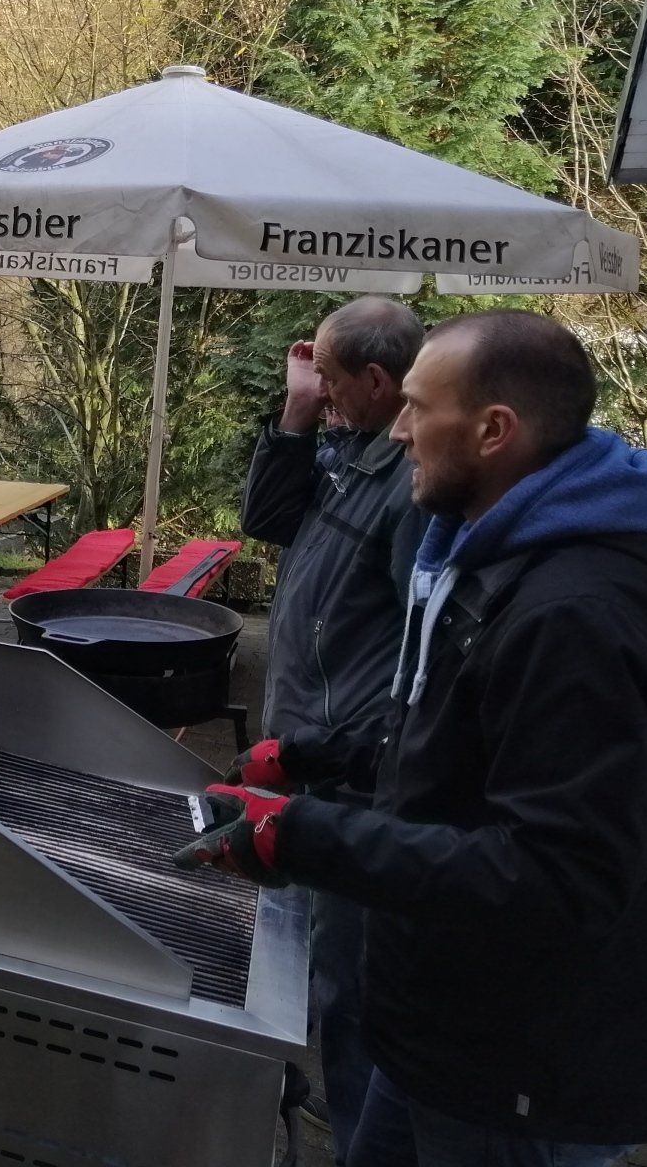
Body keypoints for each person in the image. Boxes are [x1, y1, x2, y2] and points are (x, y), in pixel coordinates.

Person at [182, 310, 647, 1166]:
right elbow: (455, 731)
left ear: (494, 430)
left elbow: (558, 876)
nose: (399, 432)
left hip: (530, 1070)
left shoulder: (581, 616)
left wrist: (306, 838)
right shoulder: (498, 550)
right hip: (447, 1028)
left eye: (419, 409)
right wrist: (313, 758)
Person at [240, 295, 426, 1158]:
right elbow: (268, 520)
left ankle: (359, 1141)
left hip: (351, 770)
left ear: (378, 381)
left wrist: (345, 749)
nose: (325, 390)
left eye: (332, 378)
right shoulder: (352, 452)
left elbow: (423, 663)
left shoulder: (412, 486)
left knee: (348, 981)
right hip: (300, 749)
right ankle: (304, 1095)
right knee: (296, 950)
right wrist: (297, 413)